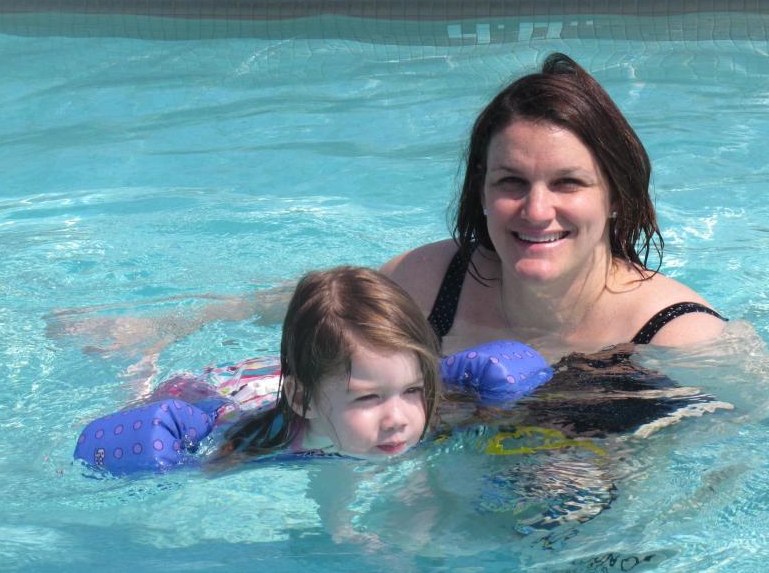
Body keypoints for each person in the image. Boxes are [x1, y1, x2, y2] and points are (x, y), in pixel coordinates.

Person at [382, 52, 726, 361]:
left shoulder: (683, 339)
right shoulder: (414, 289)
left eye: (567, 183)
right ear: (482, 191)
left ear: (617, 196)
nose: (536, 211)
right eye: (511, 181)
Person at [73, 267, 555, 474]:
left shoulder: (422, 411)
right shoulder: (260, 442)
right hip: (234, 392)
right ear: (302, 400)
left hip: (309, 376)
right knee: (163, 394)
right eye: (369, 398)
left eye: (413, 390)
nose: (398, 418)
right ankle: (137, 354)